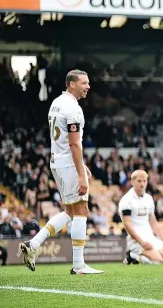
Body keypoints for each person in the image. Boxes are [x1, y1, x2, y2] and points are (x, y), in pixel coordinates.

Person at [20, 70, 103, 275]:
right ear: (72, 84)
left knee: (69, 211)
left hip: (57, 162)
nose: (88, 87)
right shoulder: (73, 109)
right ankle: (78, 265)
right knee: (81, 210)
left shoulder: (56, 102)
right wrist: (81, 172)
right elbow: (75, 145)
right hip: (68, 164)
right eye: (84, 83)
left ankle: (34, 244)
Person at [120, 170, 163, 265]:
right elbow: (127, 225)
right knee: (158, 261)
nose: (142, 183)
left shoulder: (148, 198)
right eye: (139, 181)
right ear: (132, 182)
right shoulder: (127, 200)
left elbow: (153, 222)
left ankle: (138, 257)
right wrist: (142, 242)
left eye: (144, 181)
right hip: (136, 240)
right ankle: (132, 255)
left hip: (150, 237)